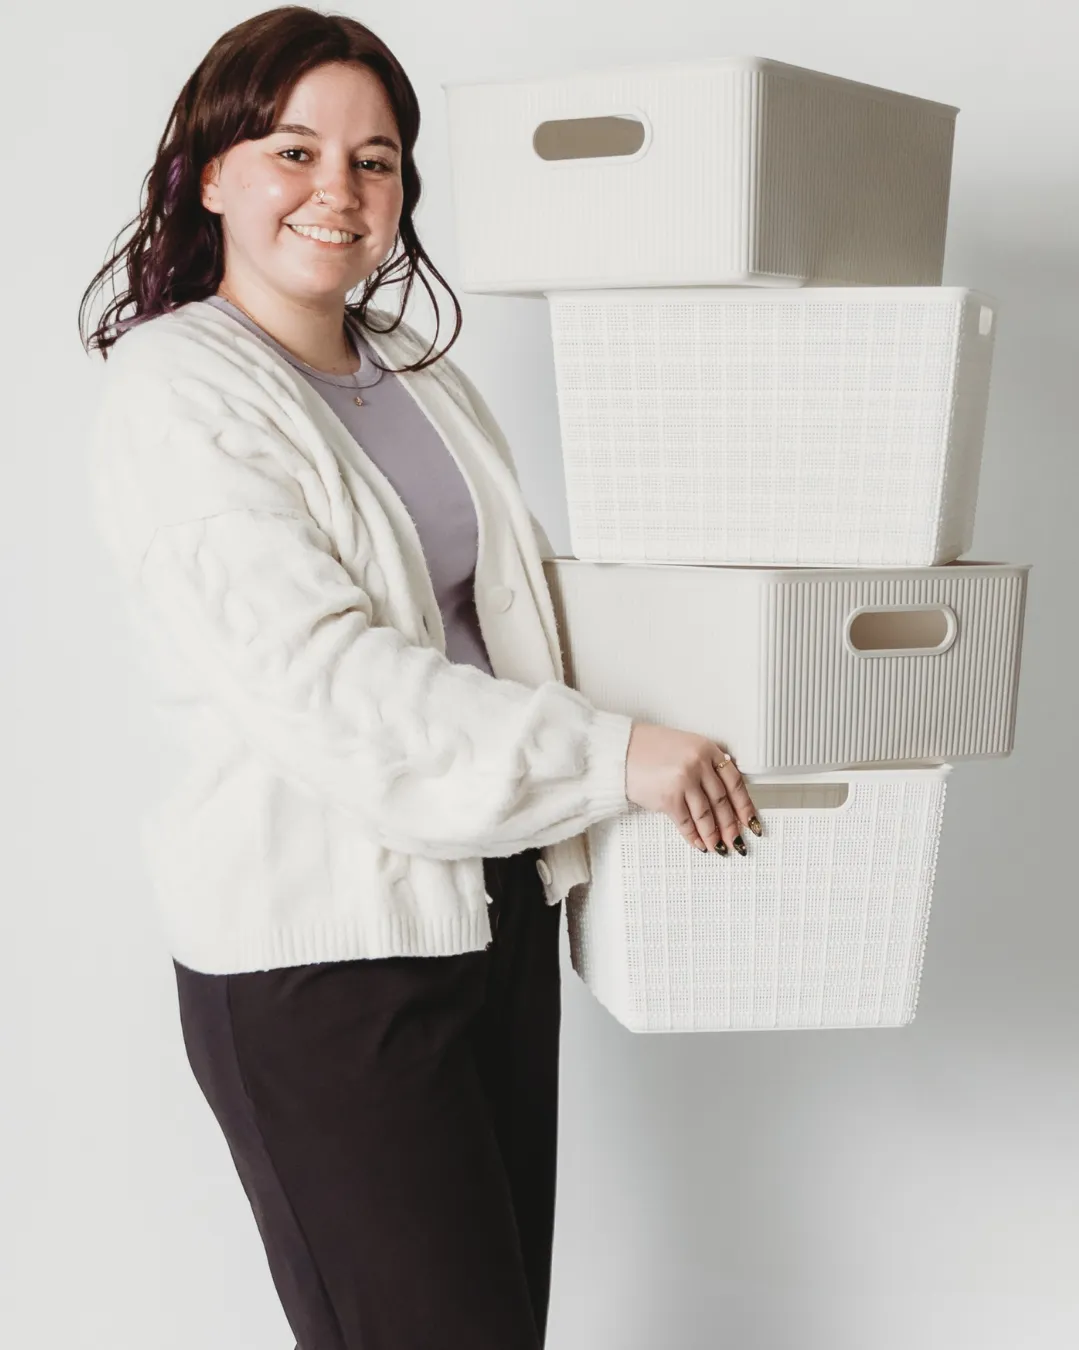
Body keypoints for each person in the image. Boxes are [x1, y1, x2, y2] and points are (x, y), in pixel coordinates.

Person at [80, 7, 761, 1349]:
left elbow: (511, 614)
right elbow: (330, 684)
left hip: (493, 907)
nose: (338, 190)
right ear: (210, 172)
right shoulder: (177, 393)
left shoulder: (422, 375)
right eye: (294, 150)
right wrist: (621, 752)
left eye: (375, 160)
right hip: (324, 958)